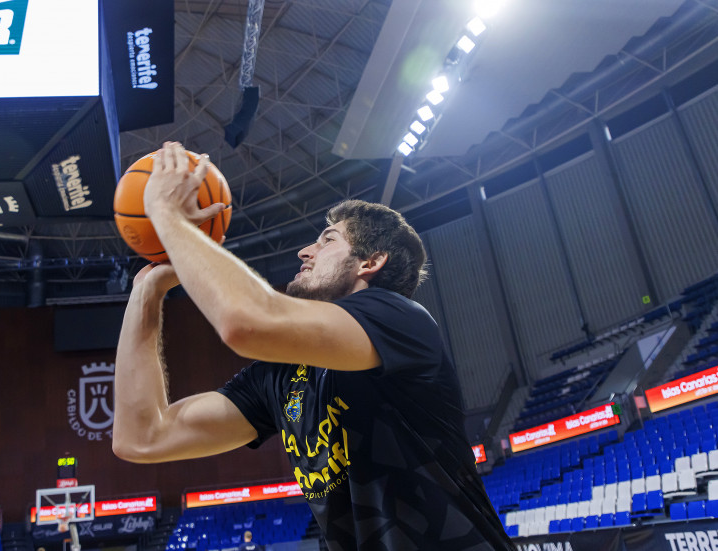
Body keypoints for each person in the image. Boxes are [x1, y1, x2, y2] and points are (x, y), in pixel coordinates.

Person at [112, 142, 514, 550]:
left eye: (327, 240)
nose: (305, 251)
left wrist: (167, 215)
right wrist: (146, 293)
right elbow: (142, 437)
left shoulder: (399, 320)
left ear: (370, 263)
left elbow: (245, 323)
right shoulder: (280, 375)